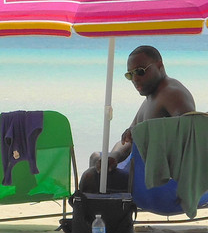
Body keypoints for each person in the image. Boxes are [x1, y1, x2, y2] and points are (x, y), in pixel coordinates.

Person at [78, 45, 196, 192]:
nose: (135, 79)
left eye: (140, 71)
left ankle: (105, 213)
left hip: (161, 182)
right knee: (97, 159)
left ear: (159, 66)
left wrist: (146, 132)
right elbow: (127, 141)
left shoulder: (172, 93)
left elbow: (189, 131)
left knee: (91, 177)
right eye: (130, 74)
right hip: (142, 174)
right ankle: (112, 213)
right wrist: (114, 155)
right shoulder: (150, 98)